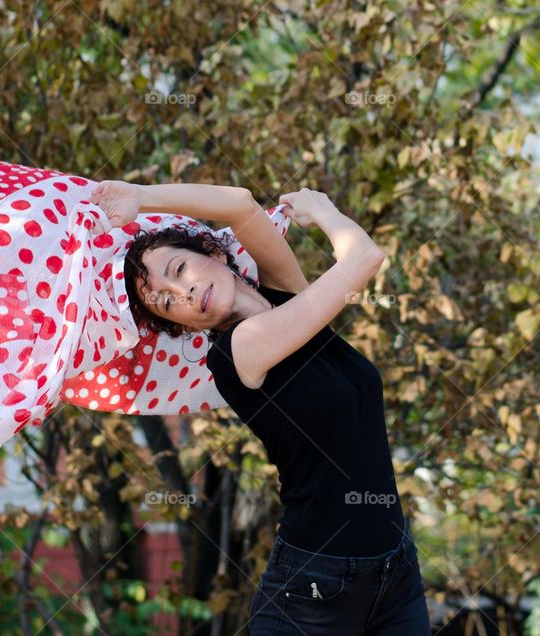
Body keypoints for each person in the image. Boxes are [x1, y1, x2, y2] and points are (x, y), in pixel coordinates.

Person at [91, 180, 432, 635]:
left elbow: (240, 204)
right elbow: (364, 257)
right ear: (180, 324)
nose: (183, 294)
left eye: (179, 270)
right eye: (167, 303)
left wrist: (141, 197)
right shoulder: (238, 350)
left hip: (395, 569)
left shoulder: (285, 294)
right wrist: (324, 211)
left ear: (213, 254)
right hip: (316, 587)